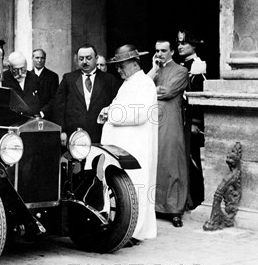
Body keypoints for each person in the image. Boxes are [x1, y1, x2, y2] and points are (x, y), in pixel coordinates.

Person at [98, 44, 158, 243]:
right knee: (124, 190)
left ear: (133, 63)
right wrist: (108, 110)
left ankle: (135, 231)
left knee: (136, 189)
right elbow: (119, 106)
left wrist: (111, 114)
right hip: (123, 148)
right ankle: (125, 228)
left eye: (121, 65)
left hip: (136, 148)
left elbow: (139, 113)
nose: (118, 69)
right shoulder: (128, 83)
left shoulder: (145, 84)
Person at [147, 39, 189, 227]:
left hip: (171, 123)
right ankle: (156, 207)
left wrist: (148, 91)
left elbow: (168, 91)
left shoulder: (181, 71)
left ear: (172, 51)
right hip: (152, 122)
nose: (159, 54)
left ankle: (175, 210)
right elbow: (141, 86)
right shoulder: (155, 71)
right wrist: (153, 70)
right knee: (156, 163)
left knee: (172, 164)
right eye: (157, 50)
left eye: (163, 50)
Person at [51, 44, 119, 143]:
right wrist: (62, 131)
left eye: (88, 58)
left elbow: (115, 105)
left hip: (101, 135)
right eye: (81, 58)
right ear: (77, 60)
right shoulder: (68, 79)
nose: (84, 62)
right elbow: (58, 107)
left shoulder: (109, 80)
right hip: (74, 136)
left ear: (96, 59)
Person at [177, 29, 206, 210]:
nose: (180, 46)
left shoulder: (198, 66)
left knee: (192, 161)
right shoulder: (180, 64)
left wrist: (196, 123)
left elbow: (199, 98)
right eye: (178, 43)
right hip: (178, 120)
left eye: (184, 43)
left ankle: (196, 199)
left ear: (193, 45)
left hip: (190, 123)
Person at [31, 48, 59, 115]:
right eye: (37, 58)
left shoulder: (53, 76)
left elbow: (55, 98)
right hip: (31, 115)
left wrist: (43, 112)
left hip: (47, 115)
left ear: (45, 59)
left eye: (42, 58)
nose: (39, 60)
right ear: (32, 58)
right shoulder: (27, 76)